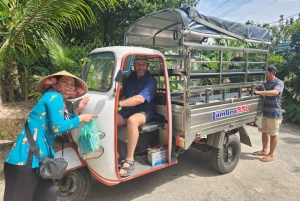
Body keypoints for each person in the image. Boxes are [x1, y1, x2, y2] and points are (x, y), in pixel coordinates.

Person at [3, 70, 97, 201]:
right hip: (25, 161)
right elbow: (57, 127)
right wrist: (81, 118)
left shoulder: (56, 99)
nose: (69, 85)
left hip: (39, 161)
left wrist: (76, 111)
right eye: (65, 81)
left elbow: (63, 123)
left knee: (48, 196)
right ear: (54, 82)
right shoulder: (54, 96)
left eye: (72, 83)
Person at [117, 56, 157, 177]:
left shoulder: (151, 80)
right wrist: (112, 96)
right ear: (134, 65)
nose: (140, 67)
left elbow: (140, 99)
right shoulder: (132, 76)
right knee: (111, 119)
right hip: (127, 110)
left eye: (143, 64)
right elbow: (123, 91)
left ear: (147, 66)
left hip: (144, 111)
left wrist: (118, 103)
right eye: (138, 64)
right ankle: (115, 152)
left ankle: (130, 159)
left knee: (133, 121)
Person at [252, 65, 284, 162]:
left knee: (273, 134)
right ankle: (264, 150)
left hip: (274, 114)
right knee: (264, 132)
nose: (265, 74)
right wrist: (248, 90)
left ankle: (271, 155)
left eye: (266, 73)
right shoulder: (264, 83)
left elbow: (275, 92)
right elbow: (254, 89)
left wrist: (260, 92)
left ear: (272, 72)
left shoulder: (279, 82)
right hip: (264, 113)